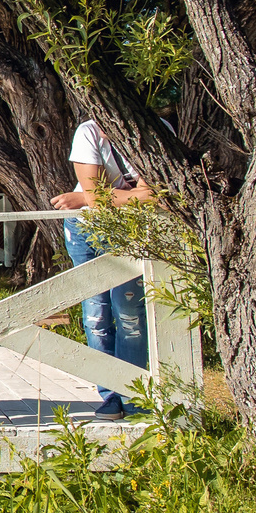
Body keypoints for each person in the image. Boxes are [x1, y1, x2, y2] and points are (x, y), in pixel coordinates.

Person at [49, 117, 154, 404]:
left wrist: (84, 198)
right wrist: (94, 198)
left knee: (129, 313)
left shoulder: (157, 129)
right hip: (85, 229)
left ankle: (133, 395)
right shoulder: (89, 131)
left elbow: (156, 197)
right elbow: (97, 197)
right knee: (96, 314)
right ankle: (110, 395)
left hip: (130, 230)